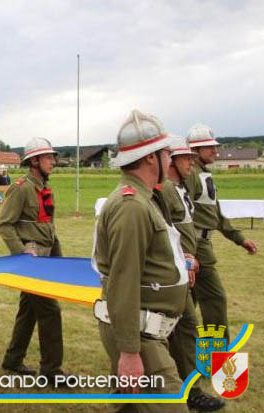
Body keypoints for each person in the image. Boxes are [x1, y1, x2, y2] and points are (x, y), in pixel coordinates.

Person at [93, 110, 189, 412]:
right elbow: (124, 281)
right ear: (151, 158)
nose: (170, 160)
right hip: (141, 334)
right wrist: (130, 353)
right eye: (166, 153)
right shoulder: (132, 205)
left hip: (144, 329)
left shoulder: (144, 198)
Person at [161, 136, 225, 411]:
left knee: (183, 326)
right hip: (171, 271)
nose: (192, 162)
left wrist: (190, 258)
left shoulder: (178, 189)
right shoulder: (164, 190)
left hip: (183, 266)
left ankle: (185, 385)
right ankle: (189, 390)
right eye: (186, 157)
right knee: (182, 326)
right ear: (172, 161)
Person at [0, 137, 65, 380]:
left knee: (29, 311)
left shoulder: (44, 188)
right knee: (50, 311)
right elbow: (5, 225)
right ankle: (52, 371)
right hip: (32, 260)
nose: (53, 162)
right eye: (48, 157)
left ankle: (13, 360)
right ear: (34, 161)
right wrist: (21, 252)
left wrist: (57, 257)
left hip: (45, 258)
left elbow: (48, 225)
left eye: (53, 157)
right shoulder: (22, 187)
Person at [184, 123, 257, 341]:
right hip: (196, 247)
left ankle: (176, 356)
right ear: (195, 151)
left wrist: (239, 239)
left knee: (185, 308)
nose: (215, 151)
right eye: (209, 147)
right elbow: (180, 214)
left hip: (198, 245)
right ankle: (220, 363)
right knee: (215, 301)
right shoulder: (192, 176)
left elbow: (215, 214)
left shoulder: (202, 174)